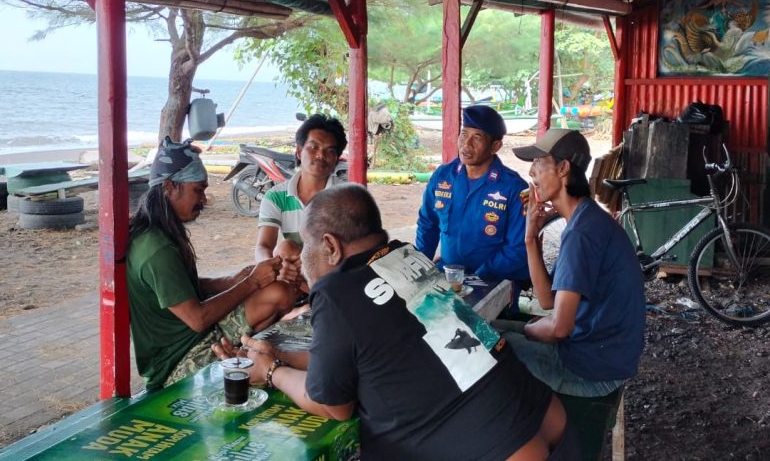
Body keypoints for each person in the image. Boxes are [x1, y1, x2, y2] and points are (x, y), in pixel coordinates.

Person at [215, 184, 574, 461]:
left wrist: (272, 370)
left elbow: (333, 406)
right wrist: (284, 355)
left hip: (493, 446)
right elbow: (385, 355)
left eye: (305, 246)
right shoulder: (408, 257)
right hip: (545, 417)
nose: (303, 256)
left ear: (330, 246)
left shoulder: (338, 292)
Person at [126, 137, 299, 391]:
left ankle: (247, 354)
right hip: (179, 360)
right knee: (278, 294)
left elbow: (181, 288)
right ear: (170, 186)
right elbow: (197, 318)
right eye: (198, 190)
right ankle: (253, 365)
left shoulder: (155, 234)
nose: (204, 200)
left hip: (193, 338)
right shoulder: (156, 250)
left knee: (278, 292)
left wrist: (233, 280)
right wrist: (251, 282)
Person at [502, 128, 646, 398]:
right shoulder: (586, 219)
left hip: (592, 369)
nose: (531, 173)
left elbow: (559, 327)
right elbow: (547, 301)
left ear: (563, 168)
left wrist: (531, 330)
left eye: (538, 163)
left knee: (488, 345)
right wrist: (531, 237)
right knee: (489, 329)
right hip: (599, 355)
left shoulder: (582, 233)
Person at [415, 105, 529, 283]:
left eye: (477, 138)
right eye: (464, 134)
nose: (466, 144)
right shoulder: (443, 176)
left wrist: (478, 276)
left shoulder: (513, 188)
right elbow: (427, 223)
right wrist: (422, 266)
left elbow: (518, 248)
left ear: (495, 146)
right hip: (449, 274)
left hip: (494, 280)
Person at [254, 114, 347, 291]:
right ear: (299, 151)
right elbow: (263, 246)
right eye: (314, 147)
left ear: (336, 160)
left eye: (330, 151)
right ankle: (309, 302)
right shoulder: (276, 197)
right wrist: (273, 268)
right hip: (296, 276)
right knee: (286, 248)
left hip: (332, 273)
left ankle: (314, 300)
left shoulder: (345, 197)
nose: (321, 155)